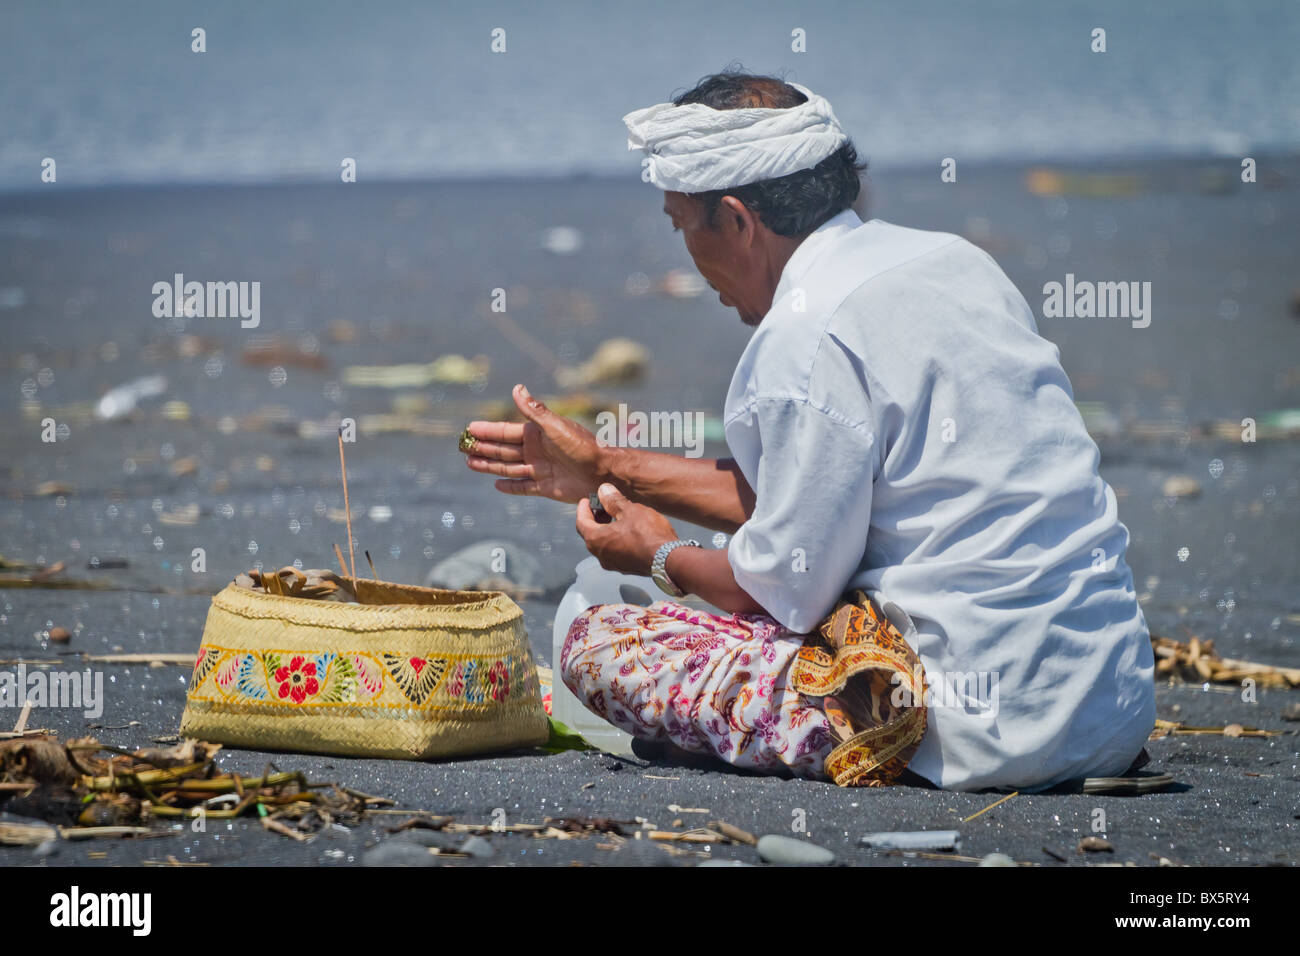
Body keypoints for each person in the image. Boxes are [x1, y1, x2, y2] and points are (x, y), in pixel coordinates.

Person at [459, 70, 1155, 792]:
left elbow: (789, 590)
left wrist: (661, 555)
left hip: (973, 730)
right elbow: (817, 492)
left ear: (735, 219)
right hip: (1110, 706)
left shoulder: (806, 334)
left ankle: (827, 737)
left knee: (594, 630)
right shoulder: (955, 264)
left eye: (680, 224)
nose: (688, 259)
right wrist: (603, 464)